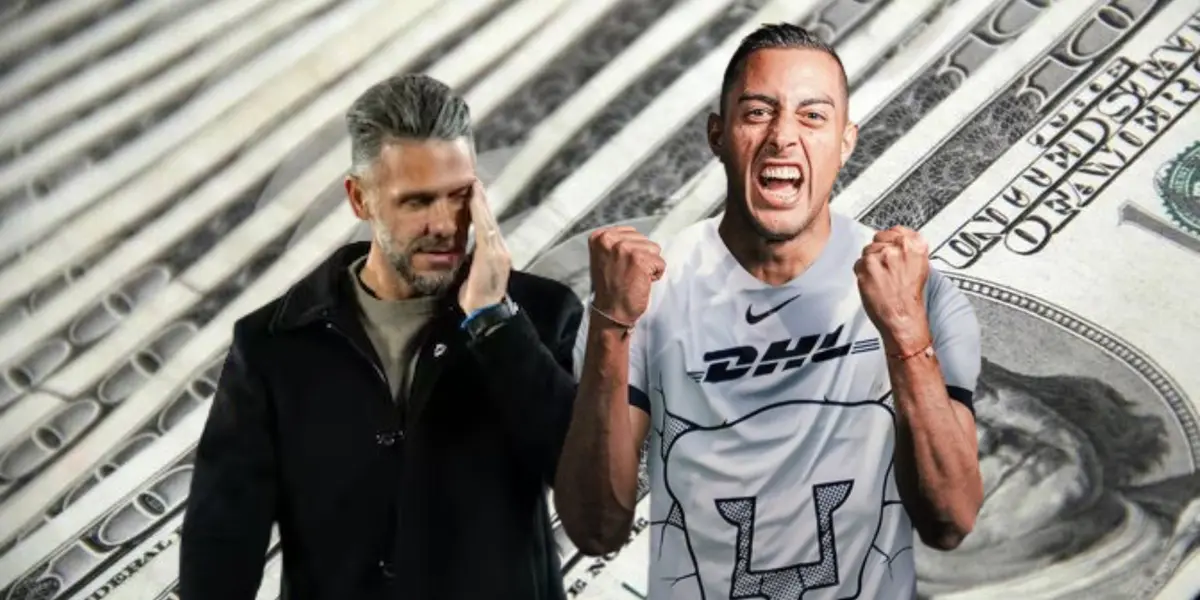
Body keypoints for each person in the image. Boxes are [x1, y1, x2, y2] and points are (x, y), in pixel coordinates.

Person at [553, 23, 986, 599]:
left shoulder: (917, 290)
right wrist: (611, 325)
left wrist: (904, 331)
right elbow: (595, 529)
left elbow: (950, 520)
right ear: (718, 134)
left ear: (846, 140)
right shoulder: (643, 293)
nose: (784, 137)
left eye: (812, 116)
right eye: (758, 112)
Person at [180, 74, 581, 600]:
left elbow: (587, 498)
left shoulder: (541, 316)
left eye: (459, 196)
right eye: (416, 202)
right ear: (359, 198)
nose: (444, 223)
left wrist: (495, 321)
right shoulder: (272, 347)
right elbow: (220, 551)